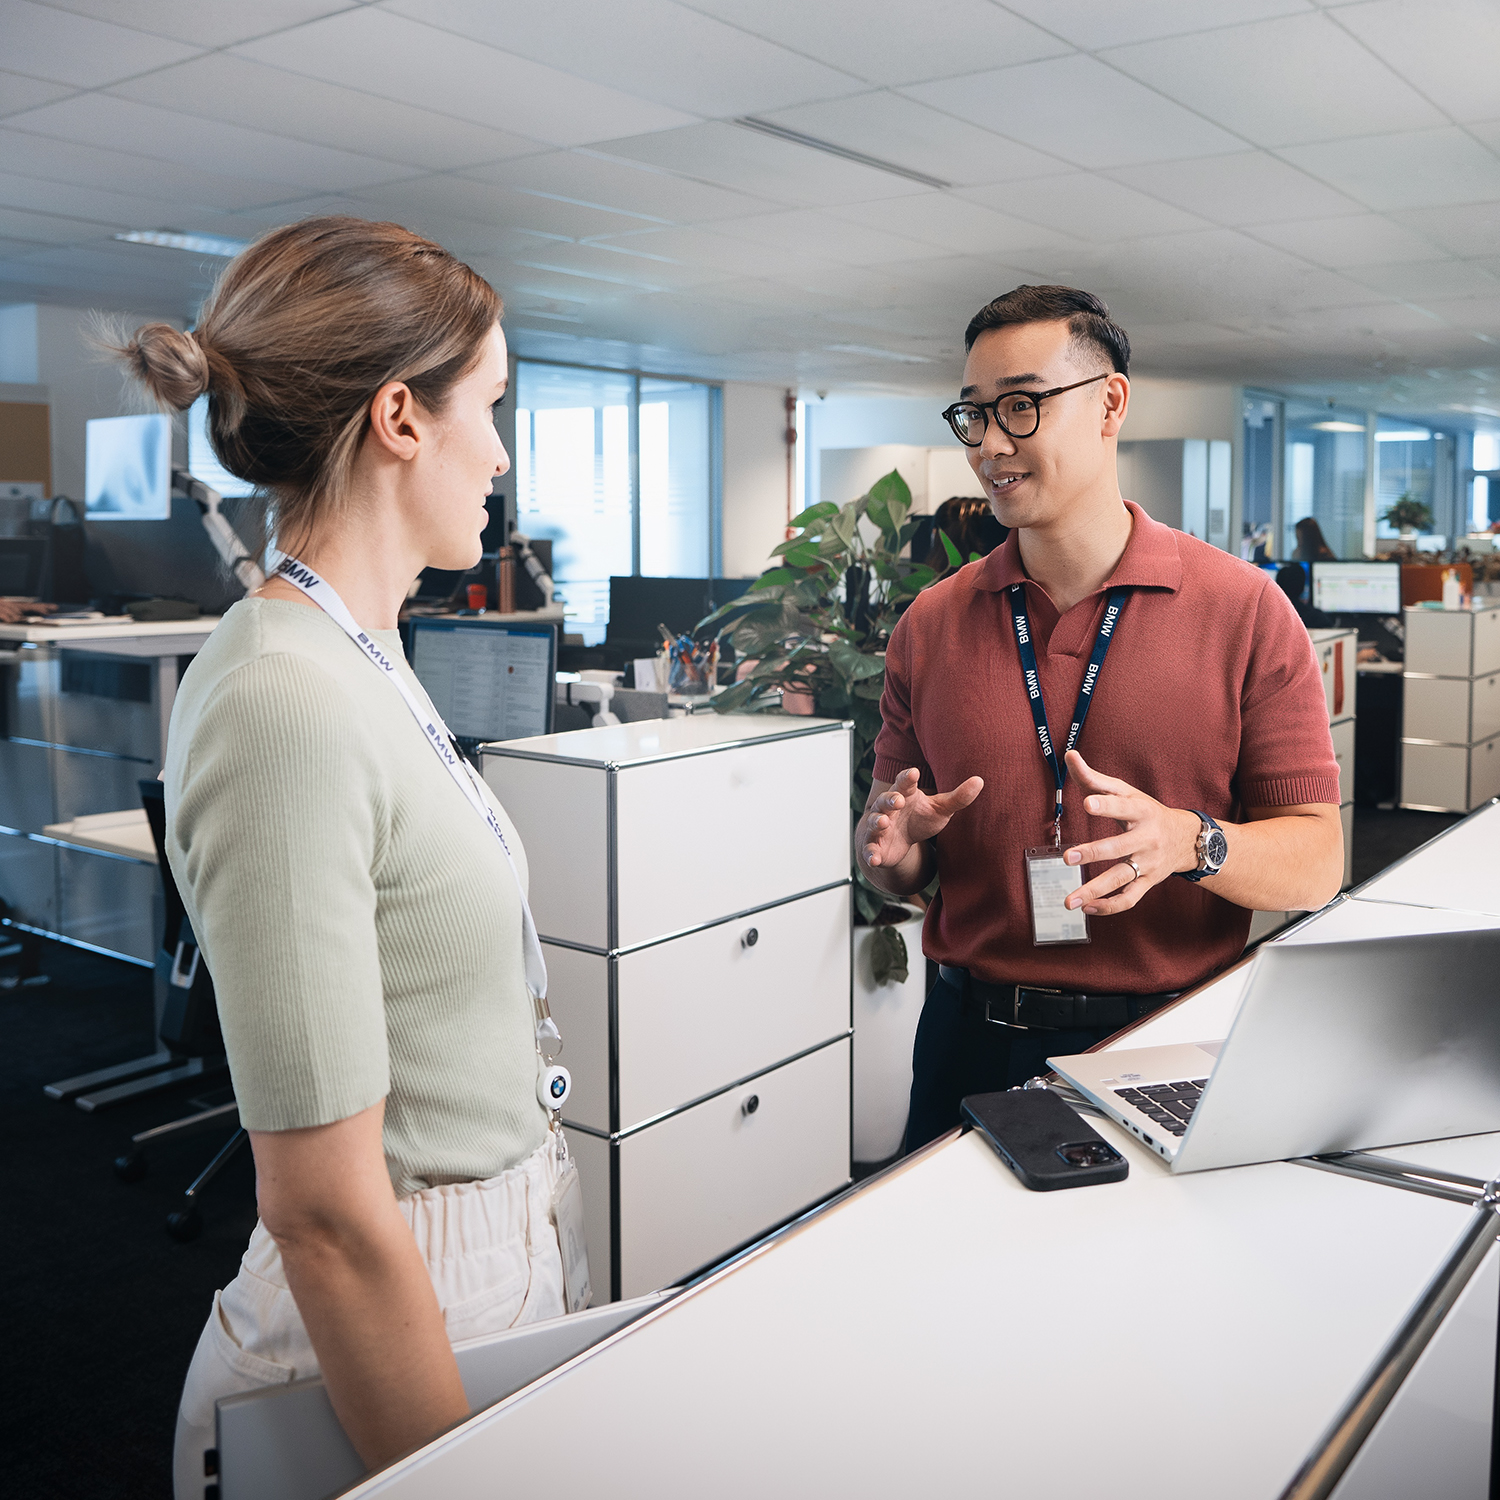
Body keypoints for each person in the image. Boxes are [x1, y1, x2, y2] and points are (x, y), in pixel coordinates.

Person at [108, 217, 576, 1496]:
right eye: (489, 405)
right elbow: (322, 1209)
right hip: (383, 1309)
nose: (500, 451)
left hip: (484, 1256)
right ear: (400, 418)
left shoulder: (363, 654)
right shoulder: (283, 694)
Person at [857, 285, 1343, 1152]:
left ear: (1110, 403)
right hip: (970, 1037)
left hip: (1165, 1041)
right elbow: (908, 866)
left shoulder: (1245, 611)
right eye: (973, 415)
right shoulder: (929, 626)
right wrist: (897, 856)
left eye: (1020, 406)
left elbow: (1316, 863)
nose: (990, 444)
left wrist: (1191, 842)